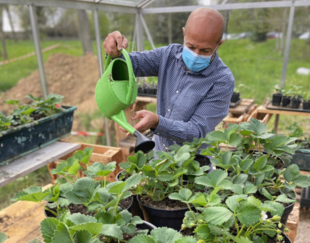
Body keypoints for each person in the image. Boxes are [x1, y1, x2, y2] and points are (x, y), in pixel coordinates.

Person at [103, 7, 234, 153]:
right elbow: (133, 64)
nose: (196, 55)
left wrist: (158, 123)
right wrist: (116, 52)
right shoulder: (169, 55)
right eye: (191, 46)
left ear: (219, 44)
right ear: (184, 33)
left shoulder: (222, 80)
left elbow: (196, 132)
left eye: (205, 50)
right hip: (160, 156)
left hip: (193, 165)